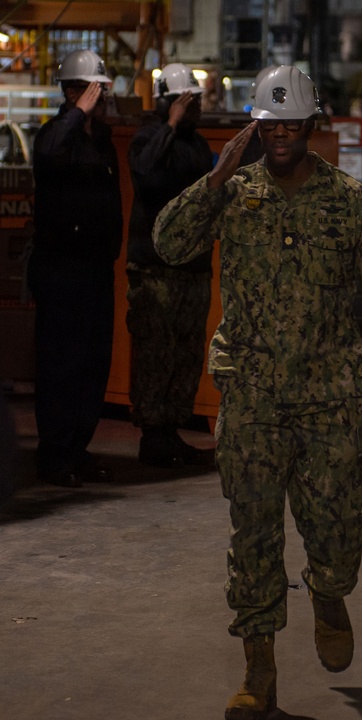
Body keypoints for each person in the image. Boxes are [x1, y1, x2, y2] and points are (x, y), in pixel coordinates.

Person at [152, 65, 362, 720]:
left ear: (311, 125)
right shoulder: (233, 194)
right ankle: (259, 671)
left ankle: (329, 593)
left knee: (336, 528)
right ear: (256, 127)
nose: (280, 137)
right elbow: (169, 243)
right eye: (270, 126)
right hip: (252, 397)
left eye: (292, 125)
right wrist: (215, 178)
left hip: (331, 397)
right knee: (253, 535)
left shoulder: (352, 203)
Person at [28, 50, 121, 488]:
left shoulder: (101, 139)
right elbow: (48, 156)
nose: (101, 98)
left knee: (92, 364)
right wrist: (76, 114)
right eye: (92, 90)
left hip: (97, 269)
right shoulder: (54, 135)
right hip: (61, 270)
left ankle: (77, 449)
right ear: (71, 92)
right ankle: (54, 454)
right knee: (61, 365)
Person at [127, 62, 215, 468]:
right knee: (155, 353)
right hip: (155, 269)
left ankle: (171, 431)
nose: (194, 108)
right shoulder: (149, 138)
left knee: (187, 352)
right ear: (168, 103)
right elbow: (144, 175)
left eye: (195, 101)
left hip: (192, 266)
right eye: (186, 101)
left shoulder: (197, 145)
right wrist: (171, 125)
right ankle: (154, 435)